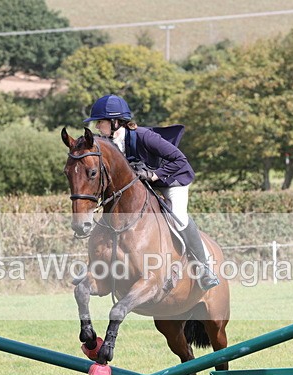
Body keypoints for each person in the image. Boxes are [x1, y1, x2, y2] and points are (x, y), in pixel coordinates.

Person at [84, 94, 219, 290]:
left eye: (100, 122)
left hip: (172, 180)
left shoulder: (144, 136)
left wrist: (154, 175)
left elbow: (180, 161)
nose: (97, 127)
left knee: (178, 217)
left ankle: (204, 267)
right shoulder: (108, 143)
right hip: (143, 183)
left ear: (115, 121)